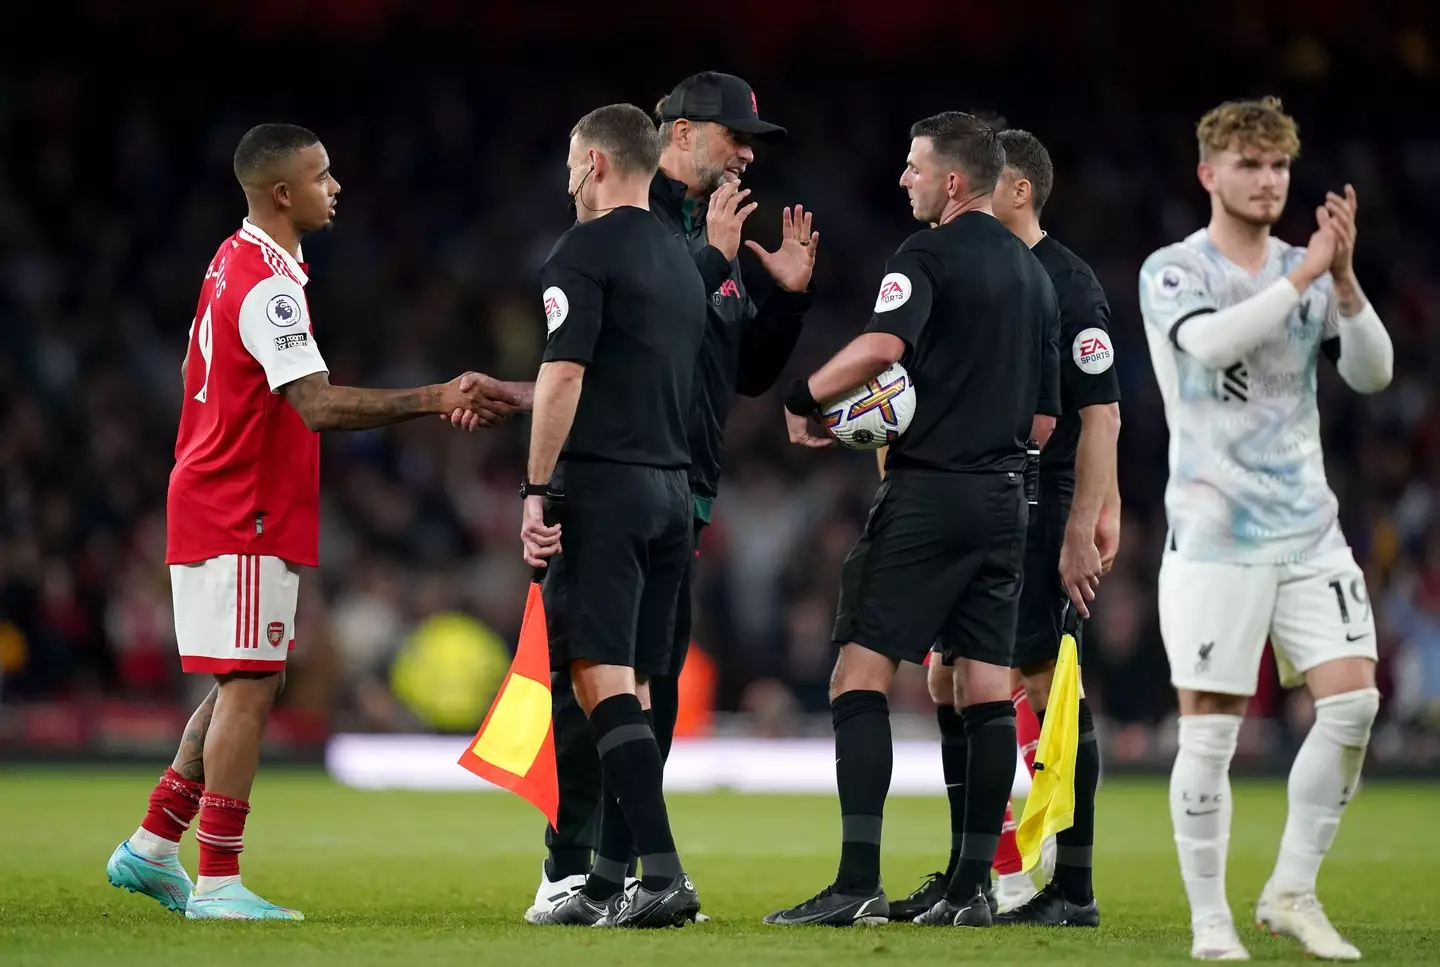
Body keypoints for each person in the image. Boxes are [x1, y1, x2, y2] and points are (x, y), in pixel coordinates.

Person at [104, 123, 522, 920]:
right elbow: (316, 404)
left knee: (247, 680)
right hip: (242, 503)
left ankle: (154, 844)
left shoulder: (238, 260)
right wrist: (436, 396)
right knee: (252, 685)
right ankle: (219, 881)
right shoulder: (268, 282)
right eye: (322, 176)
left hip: (229, 495)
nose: (337, 188)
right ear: (283, 193)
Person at [529, 70, 817, 920]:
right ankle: (565, 862)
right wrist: (711, 262)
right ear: (680, 134)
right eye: (736, 137)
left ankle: (617, 879)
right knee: (587, 683)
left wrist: (788, 300)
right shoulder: (626, 225)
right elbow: (592, 358)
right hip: (621, 473)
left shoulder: (709, 235)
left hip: (679, 486)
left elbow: (748, 371)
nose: (745, 154)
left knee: (641, 682)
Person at [765, 111, 1057, 928]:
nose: (904, 178)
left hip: (930, 496)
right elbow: (1044, 422)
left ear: (954, 182)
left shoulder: (924, 254)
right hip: (1007, 499)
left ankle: (858, 879)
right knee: (984, 688)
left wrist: (806, 397)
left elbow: (883, 349)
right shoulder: (1035, 276)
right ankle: (971, 889)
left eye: (914, 165)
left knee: (858, 677)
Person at [1139, 97, 1392, 961]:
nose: (1268, 179)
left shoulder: (1311, 265)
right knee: (1211, 728)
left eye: (1279, 165)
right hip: (1214, 533)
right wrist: (1300, 277)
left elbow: (1371, 372)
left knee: (1354, 700)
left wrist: (1344, 279)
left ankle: (1291, 889)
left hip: (1307, 528)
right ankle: (1212, 920)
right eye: (1250, 164)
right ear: (1210, 173)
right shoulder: (1175, 269)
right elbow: (1208, 347)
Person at [887, 128, 1123, 925]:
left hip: (1042, 501)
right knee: (948, 677)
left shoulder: (1066, 280)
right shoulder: (984, 269)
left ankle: (1074, 885)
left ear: (1018, 190)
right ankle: (975, 872)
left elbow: (1100, 414)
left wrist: (1087, 519)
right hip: (985, 498)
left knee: (1044, 682)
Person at [521, 103, 706, 929]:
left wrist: (535, 488)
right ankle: (604, 883)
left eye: (570, 159)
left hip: (608, 488)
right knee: (634, 681)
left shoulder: (582, 251)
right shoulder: (683, 259)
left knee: (596, 679)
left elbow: (566, 376)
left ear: (596, 162)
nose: (566, 176)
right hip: (672, 490)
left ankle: (659, 872)